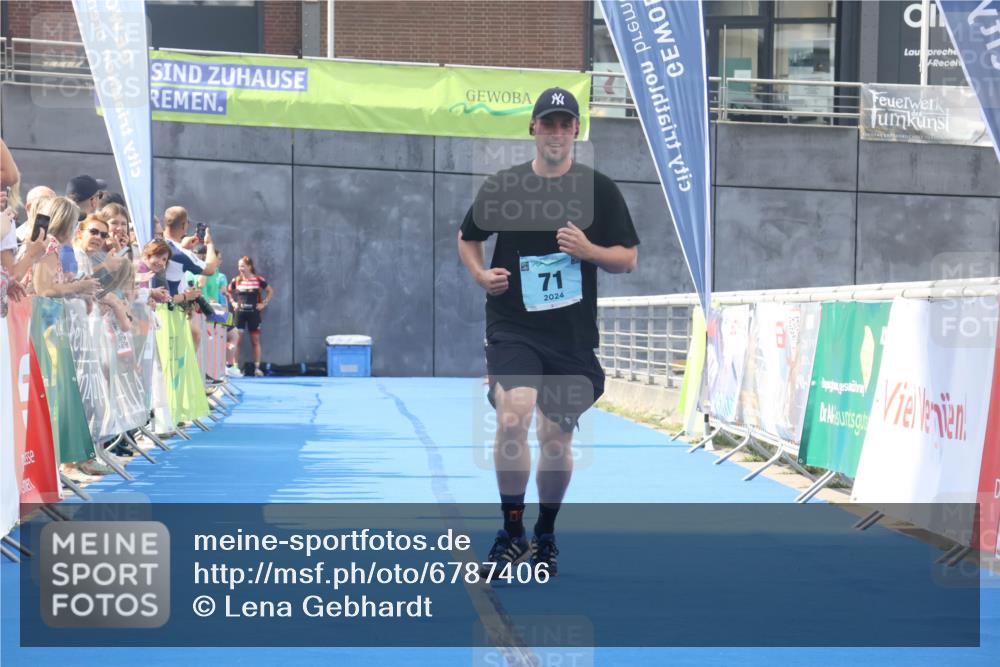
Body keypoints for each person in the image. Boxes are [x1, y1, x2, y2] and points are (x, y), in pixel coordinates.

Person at [457, 87, 639, 576]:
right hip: (513, 326)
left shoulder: (599, 190)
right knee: (513, 417)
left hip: (571, 336)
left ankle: (545, 535)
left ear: (576, 131)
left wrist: (589, 250)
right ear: (533, 129)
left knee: (555, 440)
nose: (557, 131)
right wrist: (480, 276)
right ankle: (512, 531)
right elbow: (468, 237)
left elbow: (627, 258)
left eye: (566, 123)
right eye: (548, 122)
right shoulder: (504, 186)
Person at [226, 255, 273, 377]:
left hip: (254, 314)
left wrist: (264, 303)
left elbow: (270, 291)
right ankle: (235, 368)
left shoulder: (258, 280)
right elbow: (227, 291)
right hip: (240, 314)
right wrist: (232, 302)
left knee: (255, 341)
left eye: (242, 266)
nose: (240, 268)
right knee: (237, 340)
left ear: (249, 266)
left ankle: (257, 368)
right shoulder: (236, 280)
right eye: (239, 266)